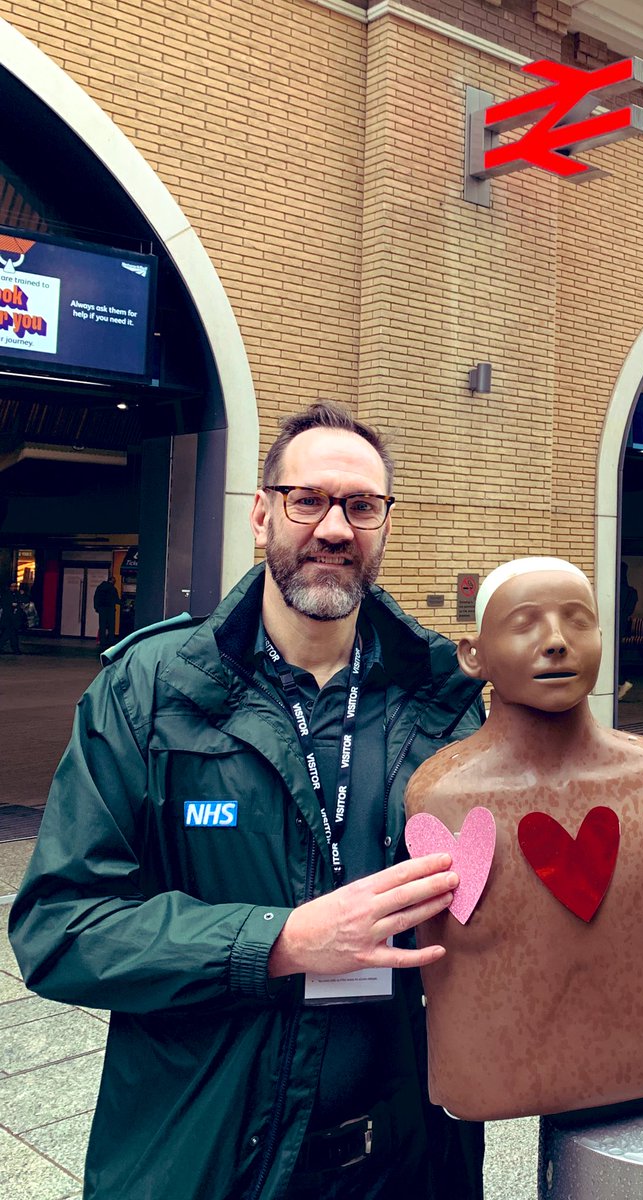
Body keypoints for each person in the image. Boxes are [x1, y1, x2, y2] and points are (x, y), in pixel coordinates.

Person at [9, 402, 486, 1200]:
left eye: (361, 506)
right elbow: (61, 926)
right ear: (263, 514)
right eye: (308, 500)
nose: (334, 527)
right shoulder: (151, 690)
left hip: (407, 1160)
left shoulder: (443, 698)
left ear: (385, 527)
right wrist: (280, 940)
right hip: (210, 1156)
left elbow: (504, 905)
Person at [404, 557, 643, 1120]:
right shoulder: (445, 797)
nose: (556, 642)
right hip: (492, 1079)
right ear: (474, 655)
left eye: (577, 620)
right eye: (525, 623)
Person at [618, 560, 637, 700]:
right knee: (618, 654)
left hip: (614, 624)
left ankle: (621, 681)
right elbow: (630, 611)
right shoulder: (632, 592)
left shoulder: (615, 588)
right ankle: (621, 681)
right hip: (623, 625)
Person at [92, 574, 120, 650]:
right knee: (111, 626)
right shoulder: (113, 589)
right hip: (110, 610)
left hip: (102, 610)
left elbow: (96, 598)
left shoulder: (100, 588)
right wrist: (122, 603)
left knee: (102, 626)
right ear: (113, 581)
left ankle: (102, 641)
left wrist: (96, 608)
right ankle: (111, 640)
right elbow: (116, 599)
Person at [0, 582, 22, 653]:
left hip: (14, 618)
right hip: (8, 618)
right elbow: (4, 605)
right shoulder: (6, 595)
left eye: (15, 586)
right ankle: (15, 649)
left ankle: (15, 649)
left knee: (11, 633)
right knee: (9, 633)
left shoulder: (17, 594)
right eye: (12, 586)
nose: (14, 588)